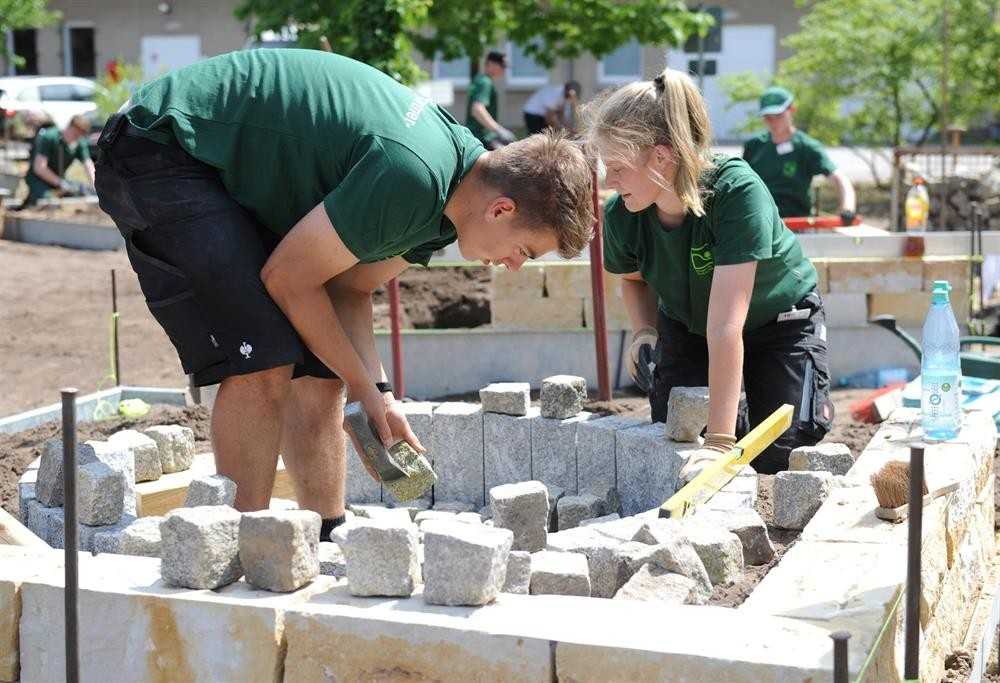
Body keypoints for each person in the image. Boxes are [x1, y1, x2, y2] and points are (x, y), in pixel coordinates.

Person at [95, 49, 594, 540]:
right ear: (502, 210)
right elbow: (288, 279)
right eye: (525, 251)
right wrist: (364, 389)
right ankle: (242, 554)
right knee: (263, 360)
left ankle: (325, 536)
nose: (512, 266)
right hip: (161, 146)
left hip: (221, 167)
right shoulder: (413, 176)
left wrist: (377, 394)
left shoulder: (451, 203)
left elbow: (348, 289)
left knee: (324, 369)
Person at [583, 69, 833, 478]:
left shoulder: (735, 193)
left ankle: (755, 402)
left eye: (617, 167)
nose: (608, 181)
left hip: (778, 322)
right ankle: (733, 407)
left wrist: (719, 444)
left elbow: (725, 327)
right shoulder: (623, 213)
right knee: (678, 433)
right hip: (691, 325)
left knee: (778, 456)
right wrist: (645, 331)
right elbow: (633, 280)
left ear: (661, 157)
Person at [743, 86, 856, 225]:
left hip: (797, 224)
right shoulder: (754, 146)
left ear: (792, 110)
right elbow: (740, 184)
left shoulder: (807, 147)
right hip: (761, 223)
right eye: (767, 117)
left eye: (778, 115)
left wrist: (848, 209)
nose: (773, 122)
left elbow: (840, 179)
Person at [18, 114, 95, 209]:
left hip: (59, 180)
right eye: (75, 134)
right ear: (69, 127)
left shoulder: (79, 142)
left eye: (80, 135)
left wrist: (95, 186)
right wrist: (60, 183)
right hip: (39, 180)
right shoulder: (49, 137)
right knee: (49, 201)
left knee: (81, 193)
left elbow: (88, 164)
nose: (77, 138)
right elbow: (39, 168)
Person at [466, 50, 516, 149]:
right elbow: (477, 109)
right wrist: (499, 130)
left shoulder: (480, 79)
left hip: (476, 137)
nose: (504, 70)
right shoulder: (485, 82)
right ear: (491, 64)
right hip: (482, 138)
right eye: (502, 66)